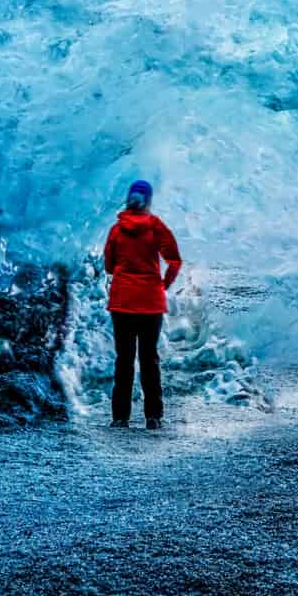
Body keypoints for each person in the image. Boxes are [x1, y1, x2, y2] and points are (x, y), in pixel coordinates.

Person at [103, 178, 182, 430]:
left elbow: (108, 265)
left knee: (123, 360)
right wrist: (163, 284)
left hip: (123, 301)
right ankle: (153, 416)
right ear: (148, 201)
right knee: (149, 360)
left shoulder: (117, 230)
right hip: (150, 302)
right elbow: (174, 261)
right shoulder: (156, 227)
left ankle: (120, 417)